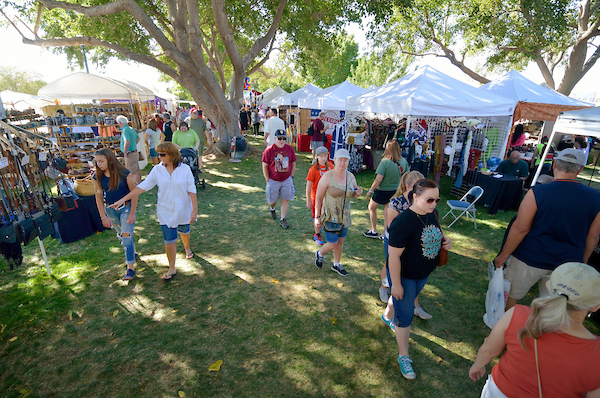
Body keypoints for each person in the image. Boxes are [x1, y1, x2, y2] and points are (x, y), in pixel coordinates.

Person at [469, 262, 600, 398]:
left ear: (548, 285)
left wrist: (478, 365)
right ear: (596, 306)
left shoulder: (517, 314)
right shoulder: (596, 351)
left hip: (499, 392)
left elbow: (488, 350)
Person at [494, 148, 600, 310]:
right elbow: (593, 236)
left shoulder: (538, 192)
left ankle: (504, 327)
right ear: (579, 169)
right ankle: (541, 332)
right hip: (567, 261)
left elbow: (521, 228)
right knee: (552, 306)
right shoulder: (595, 198)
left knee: (512, 295)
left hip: (530, 257)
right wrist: (582, 261)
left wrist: (504, 255)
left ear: (555, 164)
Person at [381, 179, 451, 380]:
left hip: (423, 273)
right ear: (415, 196)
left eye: (437, 200)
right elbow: (393, 257)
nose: (434, 204)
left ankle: (387, 315)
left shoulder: (432, 214)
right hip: (405, 276)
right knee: (405, 316)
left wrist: (446, 241)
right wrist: (396, 284)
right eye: (430, 200)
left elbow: (438, 233)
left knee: (405, 300)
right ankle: (404, 355)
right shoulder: (403, 222)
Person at [110, 142, 197, 280]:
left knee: (184, 231)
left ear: (172, 155)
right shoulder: (157, 170)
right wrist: (123, 199)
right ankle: (172, 268)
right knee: (169, 239)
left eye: (163, 154)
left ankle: (187, 248)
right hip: (165, 210)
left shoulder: (185, 169)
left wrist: (194, 210)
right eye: (158, 154)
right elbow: (143, 186)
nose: (159, 157)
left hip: (183, 208)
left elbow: (192, 189)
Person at [379, 171, 428, 322]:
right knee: (396, 274)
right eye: (419, 187)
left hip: (413, 246)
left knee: (412, 278)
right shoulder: (396, 204)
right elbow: (394, 232)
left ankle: (414, 306)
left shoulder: (421, 202)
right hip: (396, 245)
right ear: (408, 187)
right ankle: (385, 291)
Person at [314, 149, 363, 276]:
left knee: (340, 241)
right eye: (340, 160)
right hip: (330, 215)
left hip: (344, 215)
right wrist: (317, 217)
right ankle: (320, 253)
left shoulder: (351, 176)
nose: (342, 163)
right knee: (332, 243)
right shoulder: (327, 176)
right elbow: (318, 197)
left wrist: (357, 193)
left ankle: (336, 264)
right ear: (334, 160)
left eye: (345, 160)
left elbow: (353, 194)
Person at [93, 148, 139, 280]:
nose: (99, 164)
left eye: (101, 161)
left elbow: (134, 193)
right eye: (97, 162)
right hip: (111, 210)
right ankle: (133, 252)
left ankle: (130, 268)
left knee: (126, 236)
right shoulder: (97, 176)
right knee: (122, 234)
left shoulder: (125, 173)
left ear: (110, 160)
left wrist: (132, 212)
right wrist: (103, 216)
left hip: (126, 207)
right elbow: (98, 196)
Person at [364, 140, 403, 239]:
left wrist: (370, 191)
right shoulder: (403, 161)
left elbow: (378, 179)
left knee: (372, 208)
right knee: (387, 211)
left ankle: (374, 230)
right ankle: (385, 233)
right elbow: (406, 176)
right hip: (395, 190)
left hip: (382, 190)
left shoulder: (385, 162)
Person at [261, 129, 296, 229]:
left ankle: (283, 219)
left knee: (285, 199)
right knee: (272, 200)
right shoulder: (269, 150)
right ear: (275, 138)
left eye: (284, 138)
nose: (282, 141)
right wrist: (267, 179)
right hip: (273, 180)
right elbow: (265, 165)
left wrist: (291, 176)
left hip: (286, 179)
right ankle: (272, 208)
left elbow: (293, 163)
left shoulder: (289, 149)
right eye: (279, 138)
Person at [306, 146, 334, 245]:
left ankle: (328, 230)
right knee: (317, 216)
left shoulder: (331, 167)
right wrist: (308, 200)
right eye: (321, 156)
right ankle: (317, 234)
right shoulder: (313, 169)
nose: (323, 158)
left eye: (325, 156)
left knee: (328, 215)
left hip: (328, 197)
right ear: (317, 157)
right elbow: (308, 186)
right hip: (316, 198)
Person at [116, 115, 141, 184]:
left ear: (120, 122)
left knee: (132, 171)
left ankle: (138, 186)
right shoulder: (131, 128)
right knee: (137, 169)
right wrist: (133, 145)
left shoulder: (125, 130)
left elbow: (127, 141)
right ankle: (140, 184)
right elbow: (138, 138)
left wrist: (125, 151)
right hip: (134, 151)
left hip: (130, 153)